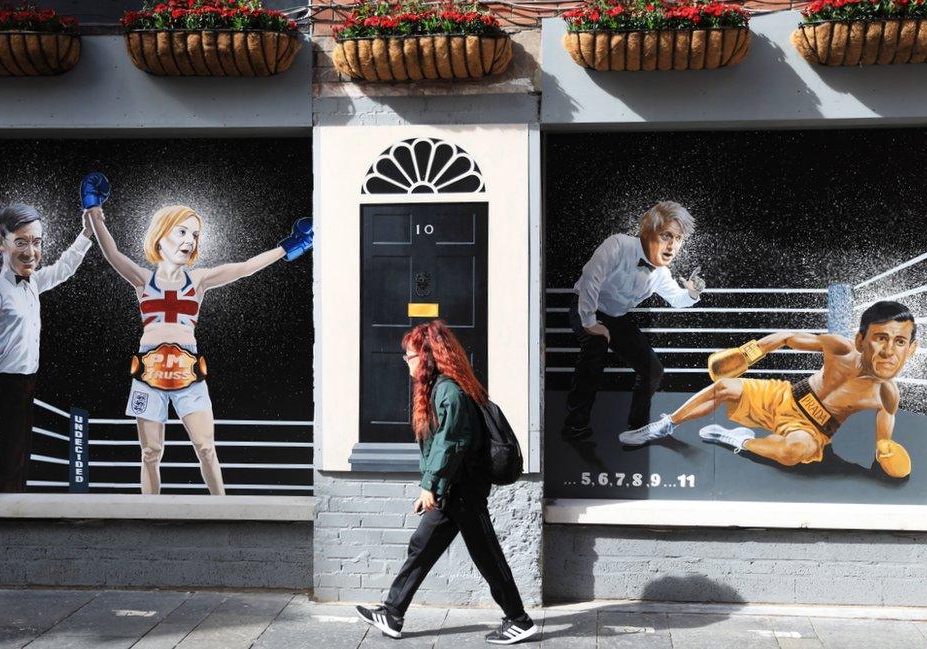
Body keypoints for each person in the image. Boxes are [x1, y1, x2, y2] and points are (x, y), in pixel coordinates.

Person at [87, 195, 312, 495]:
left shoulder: (199, 280)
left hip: (188, 372)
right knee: (150, 452)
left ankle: (222, 510)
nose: (190, 240)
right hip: (148, 374)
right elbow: (112, 253)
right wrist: (93, 212)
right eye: (182, 231)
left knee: (206, 447)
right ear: (160, 235)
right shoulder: (143, 279)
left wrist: (288, 246)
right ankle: (151, 516)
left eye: (194, 234)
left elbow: (245, 267)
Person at [355, 320, 537, 645]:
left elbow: (450, 443)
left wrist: (430, 486)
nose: (406, 363)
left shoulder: (448, 391)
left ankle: (519, 620)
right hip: (453, 490)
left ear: (425, 357)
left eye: (409, 356)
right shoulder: (443, 388)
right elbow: (444, 444)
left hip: (462, 491)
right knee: (422, 547)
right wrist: (433, 486)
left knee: (486, 555)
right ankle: (393, 612)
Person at [619, 301, 918, 477]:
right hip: (785, 395)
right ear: (860, 340)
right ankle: (665, 425)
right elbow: (788, 337)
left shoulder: (886, 393)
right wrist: (748, 353)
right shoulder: (839, 348)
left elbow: (884, 431)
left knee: (793, 451)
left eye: (900, 342)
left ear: (911, 349)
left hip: (812, 430)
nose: (889, 350)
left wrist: (885, 449)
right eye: (881, 338)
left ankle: (736, 440)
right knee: (723, 386)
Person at [0, 203, 94, 492]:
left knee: (19, 466)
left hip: (25, 387)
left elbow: (63, 269)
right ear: (1, 242)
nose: (30, 251)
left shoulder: (32, 283)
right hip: (2, 389)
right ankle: (1, 536)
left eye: (36, 242)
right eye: (20, 242)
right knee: (6, 471)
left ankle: (12, 534)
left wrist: (87, 232)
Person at [562, 201, 706, 441]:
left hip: (617, 317)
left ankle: (638, 427)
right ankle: (575, 425)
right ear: (648, 233)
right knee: (595, 346)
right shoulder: (618, 245)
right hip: (585, 305)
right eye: (667, 236)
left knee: (653, 370)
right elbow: (590, 280)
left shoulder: (661, 273)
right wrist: (589, 321)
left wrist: (692, 293)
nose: (673, 246)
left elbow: (677, 299)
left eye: (679, 239)